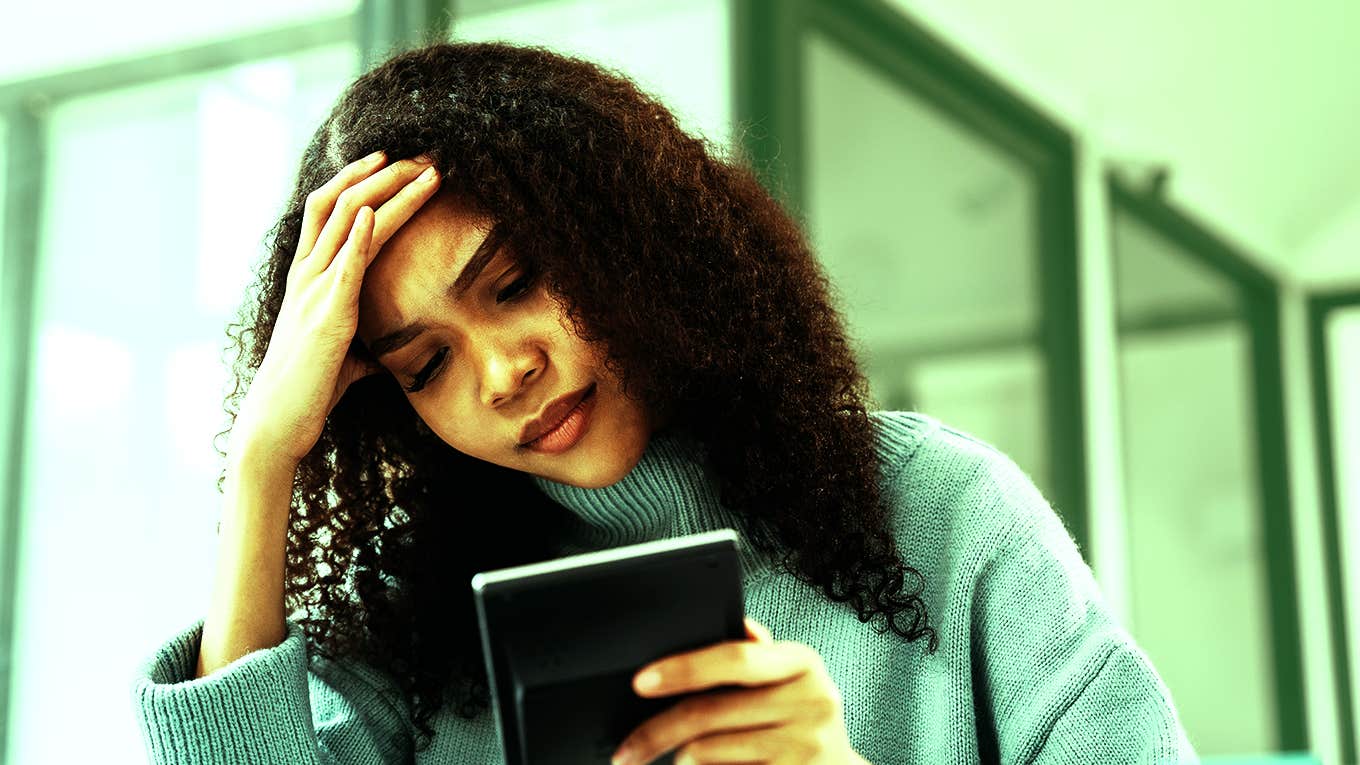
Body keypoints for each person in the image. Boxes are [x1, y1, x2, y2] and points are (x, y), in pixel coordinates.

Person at [130, 41, 1197, 764]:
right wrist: (264, 463)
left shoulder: (943, 511)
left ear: (630, 240)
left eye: (514, 286)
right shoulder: (405, 618)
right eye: (424, 366)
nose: (503, 374)